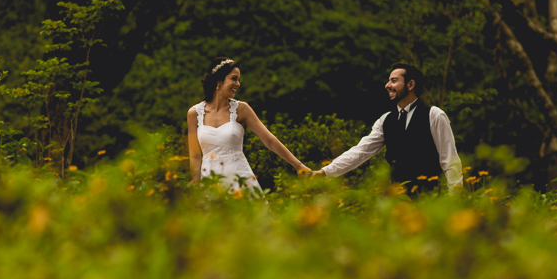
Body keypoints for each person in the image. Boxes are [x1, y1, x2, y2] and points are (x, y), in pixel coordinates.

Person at [314, 64, 463, 193]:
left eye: (394, 80)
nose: (387, 85)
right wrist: (323, 172)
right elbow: (359, 152)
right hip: (397, 203)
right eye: (389, 80)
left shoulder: (434, 115)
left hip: (430, 201)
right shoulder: (385, 120)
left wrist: (456, 199)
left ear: (410, 85)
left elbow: (450, 161)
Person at [187, 57, 310, 193]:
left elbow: (269, 140)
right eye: (234, 78)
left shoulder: (242, 109)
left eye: (238, 80)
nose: (238, 84)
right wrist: (196, 189)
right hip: (210, 181)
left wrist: (299, 166)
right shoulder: (194, 114)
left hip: (240, 180)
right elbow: (195, 156)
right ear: (219, 81)